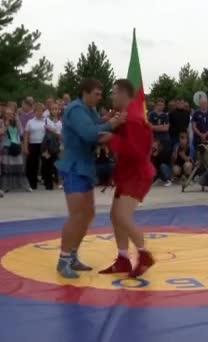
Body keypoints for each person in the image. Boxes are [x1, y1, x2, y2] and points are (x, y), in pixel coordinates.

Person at [55, 79, 126, 279]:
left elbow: (96, 126)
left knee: (88, 214)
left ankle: (73, 255)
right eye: (96, 93)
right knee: (77, 215)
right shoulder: (76, 109)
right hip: (74, 168)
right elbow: (89, 133)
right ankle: (63, 259)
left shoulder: (90, 109)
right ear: (85, 92)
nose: (99, 97)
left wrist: (107, 120)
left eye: (101, 93)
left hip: (85, 167)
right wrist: (112, 123)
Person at [98, 79, 156, 277]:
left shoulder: (133, 119)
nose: (111, 96)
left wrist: (111, 139)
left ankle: (144, 254)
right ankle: (123, 259)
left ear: (124, 94)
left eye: (114, 92)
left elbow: (138, 152)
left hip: (137, 174)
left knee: (122, 216)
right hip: (128, 173)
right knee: (115, 216)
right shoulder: (125, 116)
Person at [23, 103, 47, 190]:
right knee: (32, 165)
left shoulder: (46, 120)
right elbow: (26, 135)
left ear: (43, 111)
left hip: (44, 145)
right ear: (34, 112)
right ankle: (32, 184)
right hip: (33, 144)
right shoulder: (30, 122)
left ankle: (48, 183)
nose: (39, 112)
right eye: (37, 111)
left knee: (46, 163)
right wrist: (25, 147)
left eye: (41, 111)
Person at [41, 103, 63, 190]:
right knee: (47, 164)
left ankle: (59, 181)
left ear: (59, 110)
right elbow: (45, 131)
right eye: (53, 109)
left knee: (58, 164)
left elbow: (61, 134)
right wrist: (54, 132)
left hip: (58, 145)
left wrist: (54, 131)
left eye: (56, 109)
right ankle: (48, 183)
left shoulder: (61, 121)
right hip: (48, 145)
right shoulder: (46, 120)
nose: (55, 110)